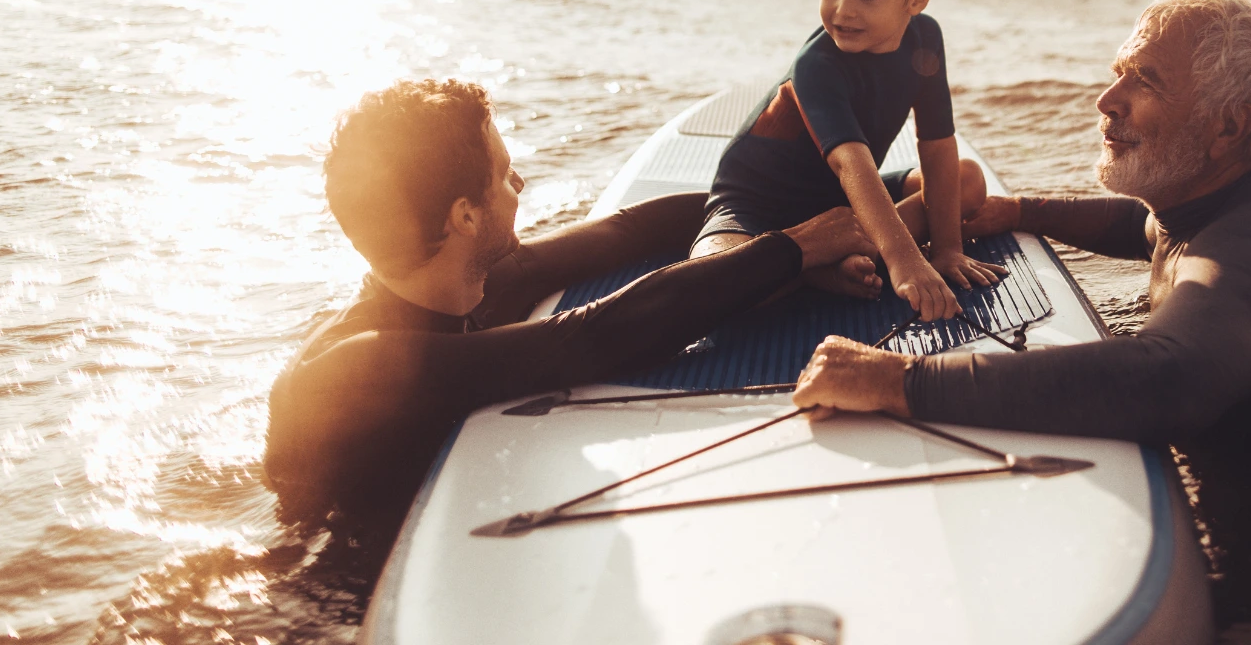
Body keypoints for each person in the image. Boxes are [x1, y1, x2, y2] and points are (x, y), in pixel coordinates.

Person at [793, 0, 1251, 440]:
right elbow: (1145, 231)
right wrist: (1022, 212)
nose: (1106, 100)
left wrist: (898, 381)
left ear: (1228, 127)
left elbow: (1168, 378)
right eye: (1120, 72)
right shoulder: (1212, 210)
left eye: (1146, 81)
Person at [263, 78, 872, 518]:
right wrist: (795, 247)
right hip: (330, 599)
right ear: (465, 215)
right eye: (503, 173)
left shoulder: (456, 287)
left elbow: (627, 232)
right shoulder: (354, 367)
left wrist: (846, 211)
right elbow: (596, 334)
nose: (519, 182)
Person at [693, 0, 1001, 321]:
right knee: (713, 281)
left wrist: (947, 250)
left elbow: (937, 145)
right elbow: (851, 165)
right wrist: (905, 260)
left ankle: (831, 260)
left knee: (966, 179)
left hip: (843, 207)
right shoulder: (816, 65)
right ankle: (815, 269)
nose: (842, 9)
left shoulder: (925, 40)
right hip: (758, 210)